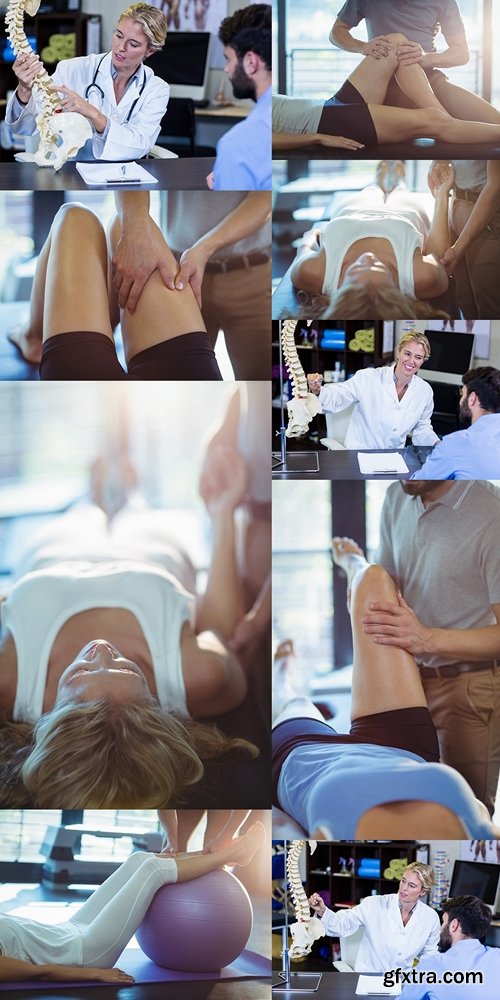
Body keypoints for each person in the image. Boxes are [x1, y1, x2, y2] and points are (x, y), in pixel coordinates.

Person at [0, 448, 259, 808]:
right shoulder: (202, 678)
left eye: (79, 675)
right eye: (126, 669)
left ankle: (93, 493)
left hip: (54, 542)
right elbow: (220, 618)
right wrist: (223, 512)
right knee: (136, 503)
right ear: (156, 710)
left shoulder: (10, 683)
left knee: (86, 506)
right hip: (153, 542)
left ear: (48, 726)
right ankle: (131, 493)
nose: (103, 648)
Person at [272, 540, 499, 839]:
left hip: (309, 756)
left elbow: (278, 837)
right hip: (403, 750)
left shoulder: (335, 845)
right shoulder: (479, 841)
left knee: (294, 700)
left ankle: (281, 674)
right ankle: (356, 566)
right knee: (374, 579)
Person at [368, 479, 500, 814]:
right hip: (407, 678)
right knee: (410, 805)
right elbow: (390, 580)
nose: (404, 471)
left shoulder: (492, 512)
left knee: (465, 813)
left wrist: (425, 638)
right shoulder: (397, 494)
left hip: (470, 688)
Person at [0, 821, 266, 983]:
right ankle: (234, 853)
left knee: (138, 860)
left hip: (68, 929)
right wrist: (95, 974)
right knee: (153, 870)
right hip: (84, 951)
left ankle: (220, 855)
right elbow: (37, 973)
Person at [7, 196, 222, 380]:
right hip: (182, 398)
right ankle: (106, 318)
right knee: (124, 225)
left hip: (90, 404)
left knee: (74, 216)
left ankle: (33, 337)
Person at [272, 35, 500, 154]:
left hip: (329, 106)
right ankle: (445, 123)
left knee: (396, 42)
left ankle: (446, 121)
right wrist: (317, 137)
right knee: (434, 121)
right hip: (324, 123)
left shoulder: (242, 104)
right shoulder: (243, 123)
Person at [289, 163, 454, 320]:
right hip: (405, 213)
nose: (368, 257)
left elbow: (304, 247)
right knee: (401, 191)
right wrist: (442, 195)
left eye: (355, 270)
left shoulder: (312, 273)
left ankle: (379, 180)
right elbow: (438, 254)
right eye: (379, 267)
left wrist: (312, 235)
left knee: (371, 191)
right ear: (394, 291)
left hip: (353, 210)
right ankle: (398, 181)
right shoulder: (423, 277)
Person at [5, 4, 169, 161]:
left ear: (150, 50)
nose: (121, 47)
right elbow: (26, 127)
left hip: (125, 177)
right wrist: (25, 90)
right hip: (73, 174)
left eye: (133, 44)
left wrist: (92, 113)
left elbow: (140, 144)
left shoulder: (156, 89)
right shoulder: (71, 70)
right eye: (119, 35)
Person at [330, 0, 500, 125]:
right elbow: (336, 32)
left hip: (429, 81)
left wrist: (427, 58)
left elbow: (461, 53)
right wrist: (363, 47)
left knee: (495, 122)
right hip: (381, 84)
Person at [163, 191, 272, 379]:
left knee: (261, 387)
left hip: (251, 278)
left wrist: (204, 249)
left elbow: (263, 198)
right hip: (179, 276)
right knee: (182, 383)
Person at [306, 331, 440, 449]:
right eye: (407, 354)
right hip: (359, 455)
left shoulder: (424, 391)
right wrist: (318, 391)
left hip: (393, 459)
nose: (411, 361)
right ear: (398, 352)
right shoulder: (368, 377)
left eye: (418, 357)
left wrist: (437, 444)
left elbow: (422, 428)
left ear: (423, 361)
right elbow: (339, 395)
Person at [308, 863, 439, 973]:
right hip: (368, 980)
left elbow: (429, 956)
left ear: (423, 891)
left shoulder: (430, 917)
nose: (404, 888)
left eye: (412, 885)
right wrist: (322, 911)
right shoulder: (374, 904)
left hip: (402, 983)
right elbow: (343, 924)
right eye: (403, 881)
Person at [211, 4, 271, 191]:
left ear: (250, 62)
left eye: (228, 59)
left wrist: (229, 171)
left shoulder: (236, 144)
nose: (226, 69)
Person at [432, 160, 500, 319]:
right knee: (464, 301)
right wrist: (435, 162)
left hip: (485, 215)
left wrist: (457, 250)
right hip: (457, 203)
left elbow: (495, 185)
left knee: (489, 306)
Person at [399, 895, 500, 999]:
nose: (441, 929)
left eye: (444, 922)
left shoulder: (430, 965)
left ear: (454, 925)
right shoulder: (497, 957)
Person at [409, 366, 500, 478]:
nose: (461, 400)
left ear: (472, 399)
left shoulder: (456, 444)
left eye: (463, 394)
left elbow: (419, 485)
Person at [158, 809, 250, 854]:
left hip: (222, 785)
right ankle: (237, 853)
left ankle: (238, 852)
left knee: (214, 853)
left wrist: (226, 836)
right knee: (172, 852)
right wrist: (171, 841)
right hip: (189, 786)